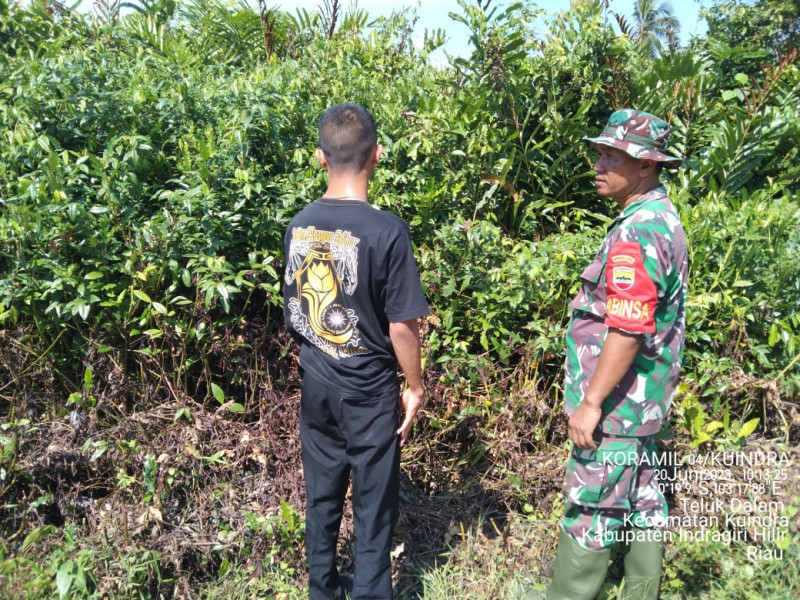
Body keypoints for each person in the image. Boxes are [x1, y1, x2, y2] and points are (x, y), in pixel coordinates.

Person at [283, 103, 428, 600]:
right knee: (373, 507)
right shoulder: (387, 230)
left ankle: (322, 590)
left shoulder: (299, 225)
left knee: (321, 500)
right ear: (377, 155)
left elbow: (297, 312)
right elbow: (402, 325)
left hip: (317, 385)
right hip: (368, 393)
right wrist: (415, 386)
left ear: (321, 157)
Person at [547, 109, 688, 600]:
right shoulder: (662, 218)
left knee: (592, 509)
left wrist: (591, 403)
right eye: (600, 152)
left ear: (647, 165)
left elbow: (627, 329)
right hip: (642, 404)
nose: (599, 164)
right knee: (644, 501)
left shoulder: (638, 231)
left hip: (617, 407)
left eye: (614, 155)